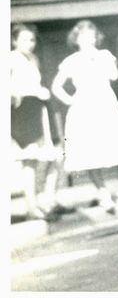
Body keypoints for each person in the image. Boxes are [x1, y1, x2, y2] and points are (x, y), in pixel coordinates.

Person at [51, 20, 118, 215]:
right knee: (89, 151)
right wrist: (70, 100)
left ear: (96, 37)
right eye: (83, 36)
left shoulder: (105, 55)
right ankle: (103, 193)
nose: (88, 39)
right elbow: (56, 87)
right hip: (84, 107)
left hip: (105, 104)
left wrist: (106, 61)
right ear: (76, 39)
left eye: (92, 35)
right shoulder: (71, 61)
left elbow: (114, 76)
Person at [10, 24, 61, 221]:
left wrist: (40, 91)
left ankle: (48, 200)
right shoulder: (11, 58)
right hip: (22, 110)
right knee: (29, 160)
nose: (29, 44)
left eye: (31, 40)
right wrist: (25, 92)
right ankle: (31, 206)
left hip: (39, 109)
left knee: (54, 156)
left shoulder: (34, 59)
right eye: (24, 40)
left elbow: (35, 82)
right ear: (15, 41)